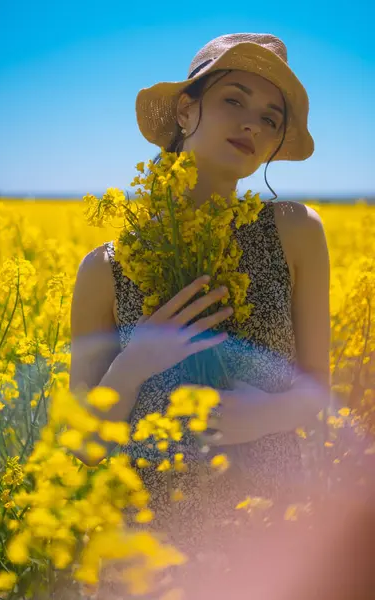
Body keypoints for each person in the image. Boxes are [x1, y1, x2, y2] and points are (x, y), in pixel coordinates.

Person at [70, 32, 331, 599]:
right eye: (234, 100)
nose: (252, 125)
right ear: (187, 109)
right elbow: (80, 443)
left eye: (270, 117)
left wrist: (264, 416)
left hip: (268, 528)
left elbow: (318, 393)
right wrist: (134, 364)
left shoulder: (296, 231)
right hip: (145, 540)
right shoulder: (105, 267)